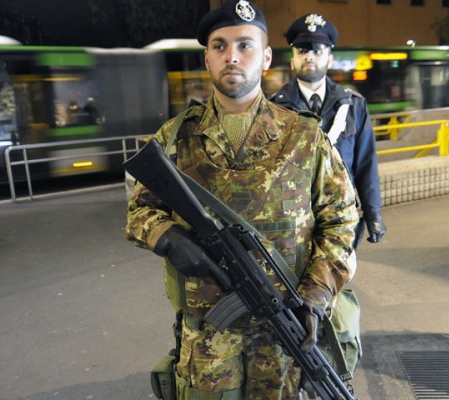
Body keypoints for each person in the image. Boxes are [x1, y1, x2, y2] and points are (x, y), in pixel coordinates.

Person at [125, 1, 359, 398]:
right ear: (207, 58)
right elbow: (139, 211)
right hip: (206, 337)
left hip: (284, 331)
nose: (231, 56)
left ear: (266, 57)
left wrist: (315, 298)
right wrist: (166, 236)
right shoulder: (176, 137)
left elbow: (341, 220)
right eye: (219, 46)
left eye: (245, 45)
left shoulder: (303, 137)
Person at [271, 13, 385, 248]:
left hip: (342, 219)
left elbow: (365, 163)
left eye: (317, 50)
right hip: (294, 221)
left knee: (338, 281)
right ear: (292, 60)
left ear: (330, 59)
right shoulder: (274, 108)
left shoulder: (353, 105)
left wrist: (374, 212)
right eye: (302, 50)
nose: (309, 56)